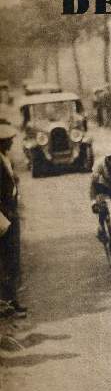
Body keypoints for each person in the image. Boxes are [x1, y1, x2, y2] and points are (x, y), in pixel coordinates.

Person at [0, 124, 27, 318]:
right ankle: (6, 302)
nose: (11, 142)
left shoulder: (5, 159)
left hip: (10, 213)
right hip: (3, 215)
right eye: (8, 140)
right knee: (6, 257)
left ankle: (12, 299)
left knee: (13, 260)